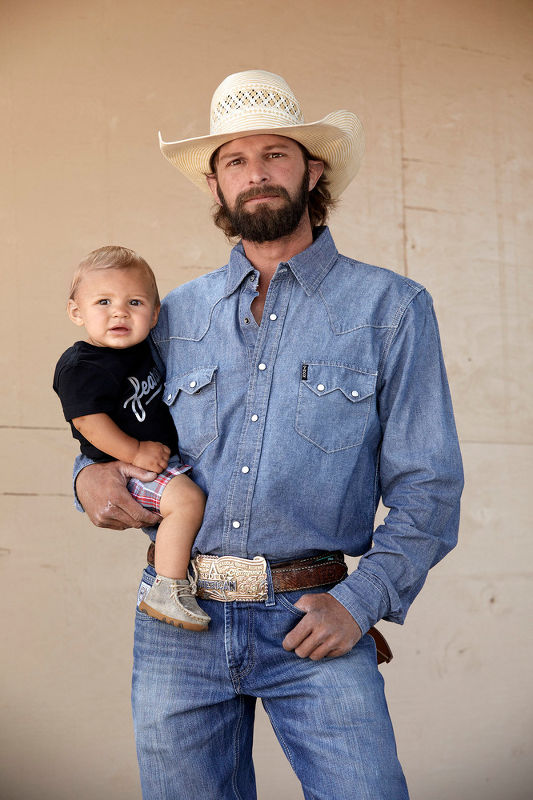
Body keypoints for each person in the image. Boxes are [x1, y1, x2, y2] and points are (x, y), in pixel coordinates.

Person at [74, 70, 464, 799]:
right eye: (234, 160)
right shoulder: (171, 315)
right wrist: (86, 476)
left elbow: (430, 487)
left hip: (312, 616)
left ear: (311, 171)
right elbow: (110, 422)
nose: (255, 174)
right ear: (216, 185)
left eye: (274, 155)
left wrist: (361, 601)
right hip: (176, 617)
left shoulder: (391, 308)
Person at [54, 245, 209, 630]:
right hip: (126, 466)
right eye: (103, 302)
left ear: (155, 314)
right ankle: (168, 588)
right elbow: (89, 422)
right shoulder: (82, 366)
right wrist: (135, 451)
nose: (120, 312)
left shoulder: (144, 351)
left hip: (154, 459)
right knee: (188, 501)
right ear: (76, 312)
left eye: (134, 302)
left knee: (188, 500)